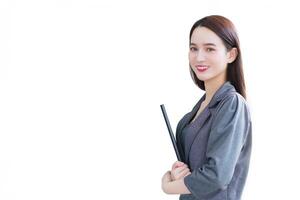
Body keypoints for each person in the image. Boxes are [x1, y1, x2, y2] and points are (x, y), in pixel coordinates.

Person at [161, 15, 252, 200]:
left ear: (231, 54)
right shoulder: (191, 117)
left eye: (209, 49)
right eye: (193, 48)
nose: (199, 57)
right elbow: (193, 173)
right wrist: (172, 175)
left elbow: (216, 177)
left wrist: (168, 186)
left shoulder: (232, 104)